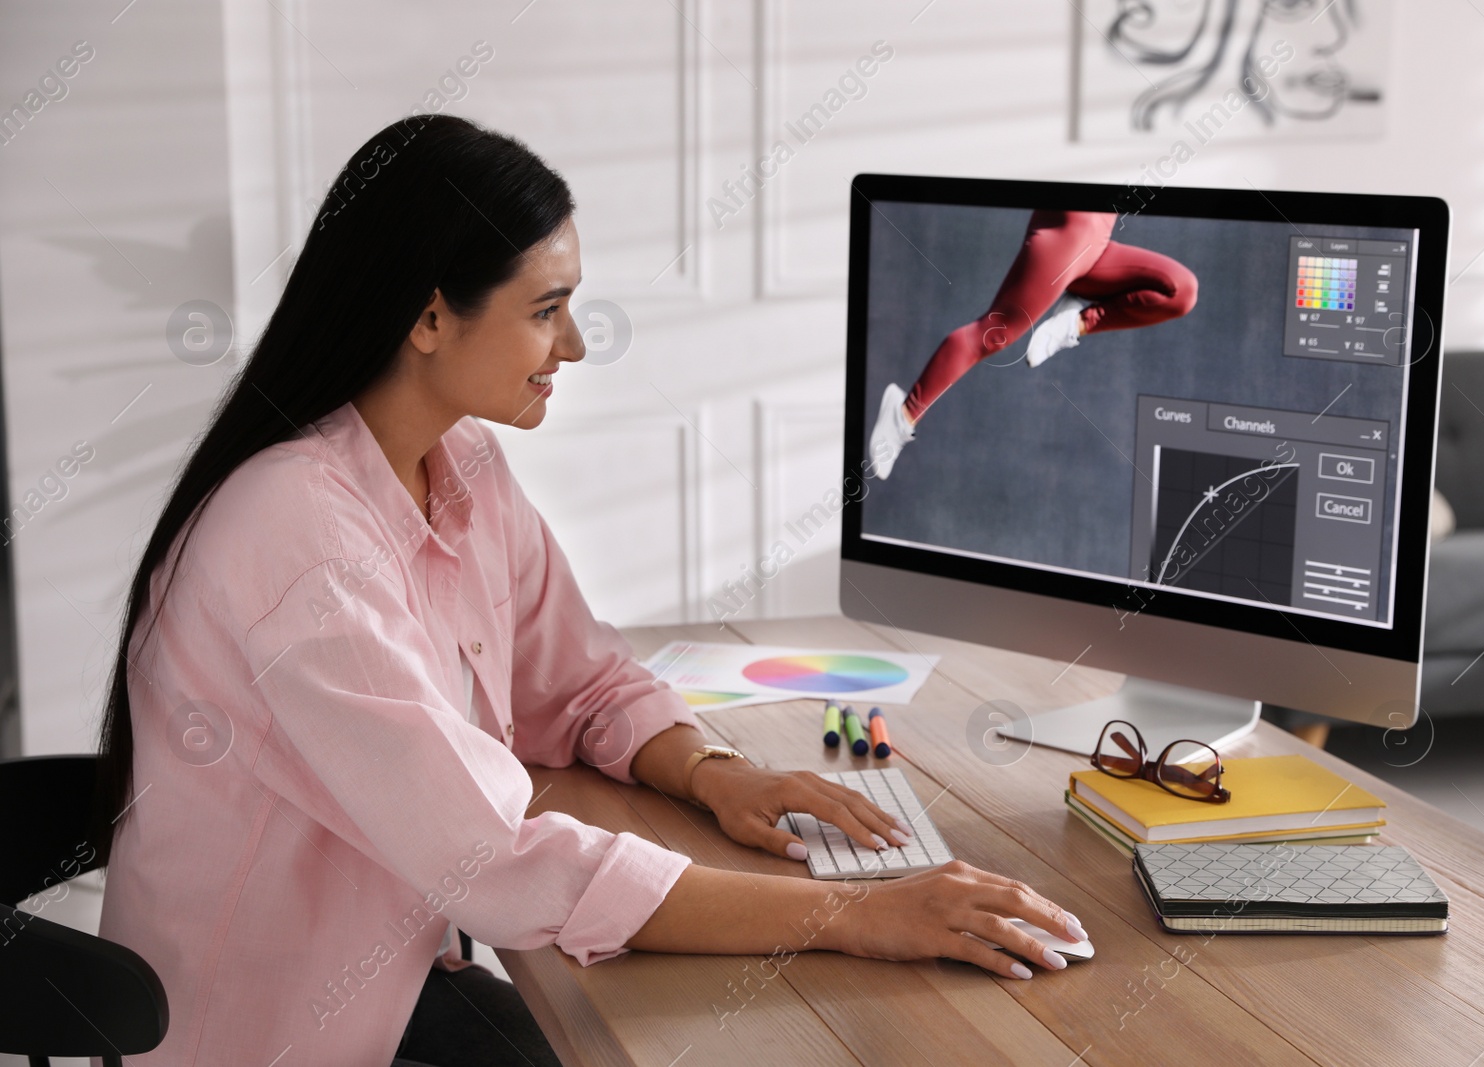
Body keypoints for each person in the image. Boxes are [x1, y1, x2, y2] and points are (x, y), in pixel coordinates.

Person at [92, 115, 1089, 1066]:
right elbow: (492, 861)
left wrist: (713, 773)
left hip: (399, 976)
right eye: (543, 309)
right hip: (279, 1028)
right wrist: (862, 911)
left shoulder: (461, 464)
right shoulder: (292, 533)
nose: (571, 345)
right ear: (429, 316)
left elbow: (576, 681)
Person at [869, 209, 1198, 479]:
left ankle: (1075, 320)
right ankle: (904, 412)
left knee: (1181, 290)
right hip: (1067, 234)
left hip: (1096, 245)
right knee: (993, 335)